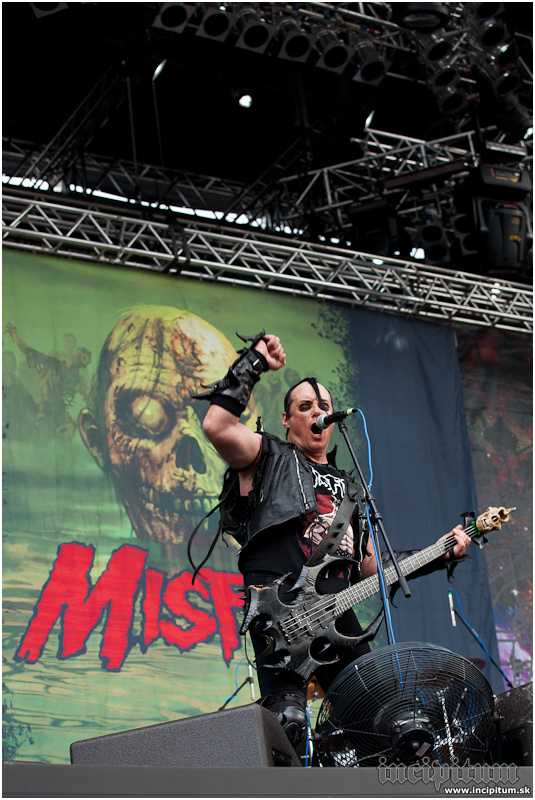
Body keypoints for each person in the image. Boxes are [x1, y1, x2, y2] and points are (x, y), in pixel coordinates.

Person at [196, 331, 472, 748]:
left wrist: (439, 553)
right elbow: (216, 425)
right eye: (305, 407)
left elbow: (369, 566)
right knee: (288, 723)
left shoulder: (351, 488)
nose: (317, 413)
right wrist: (255, 361)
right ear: (287, 420)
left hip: (337, 617)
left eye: (324, 406)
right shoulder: (267, 457)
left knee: (386, 724)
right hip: (283, 615)